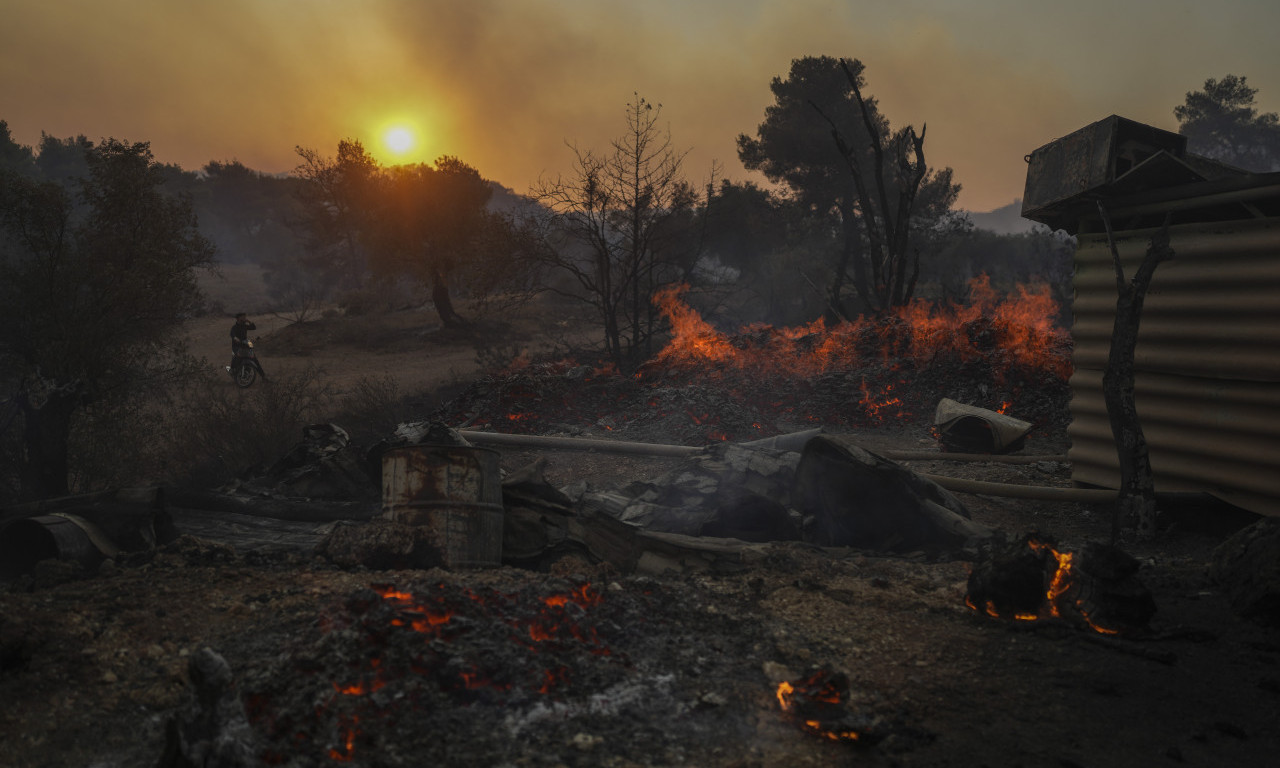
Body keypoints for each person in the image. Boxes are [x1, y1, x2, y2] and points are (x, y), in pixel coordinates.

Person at [226, 313, 265, 380]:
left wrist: (249, 321)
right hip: (237, 345)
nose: (245, 318)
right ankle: (232, 370)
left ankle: (263, 377)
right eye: (243, 317)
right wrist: (236, 339)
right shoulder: (234, 327)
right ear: (238, 318)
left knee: (254, 358)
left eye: (245, 317)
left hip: (245, 342)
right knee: (235, 356)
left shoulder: (244, 326)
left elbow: (253, 327)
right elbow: (233, 335)